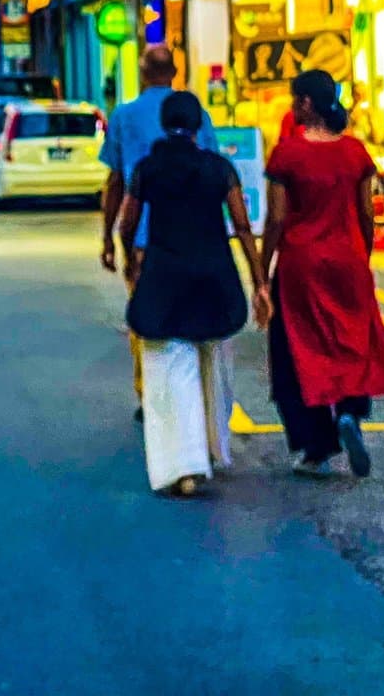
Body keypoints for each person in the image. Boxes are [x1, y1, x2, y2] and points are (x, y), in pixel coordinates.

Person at [119, 92, 271, 496]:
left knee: (170, 366)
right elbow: (242, 227)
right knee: (215, 365)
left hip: (164, 280)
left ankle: (183, 466)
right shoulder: (219, 169)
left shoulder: (147, 169)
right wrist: (260, 284)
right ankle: (213, 449)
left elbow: (127, 222)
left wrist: (129, 261)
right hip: (214, 280)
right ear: (199, 125)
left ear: (164, 124)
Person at [261, 69, 384, 479]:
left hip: (301, 265)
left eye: (294, 100)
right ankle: (351, 414)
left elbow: (276, 218)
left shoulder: (286, 154)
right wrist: (363, 257)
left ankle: (317, 447)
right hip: (347, 261)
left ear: (306, 103)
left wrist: (262, 267)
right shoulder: (355, 152)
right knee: (351, 341)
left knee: (296, 352)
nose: (291, 107)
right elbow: (365, 213)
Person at [100, 45, 219, 422]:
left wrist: (108, 237)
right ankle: (194, 392)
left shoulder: (124, 116)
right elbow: (215, 171)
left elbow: (116, 181)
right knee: (193, 313)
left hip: (144, 239)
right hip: (195, 235)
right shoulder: (196, 114)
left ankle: (149, 392)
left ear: (142, 72)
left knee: (147, 316)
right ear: (176, 69)